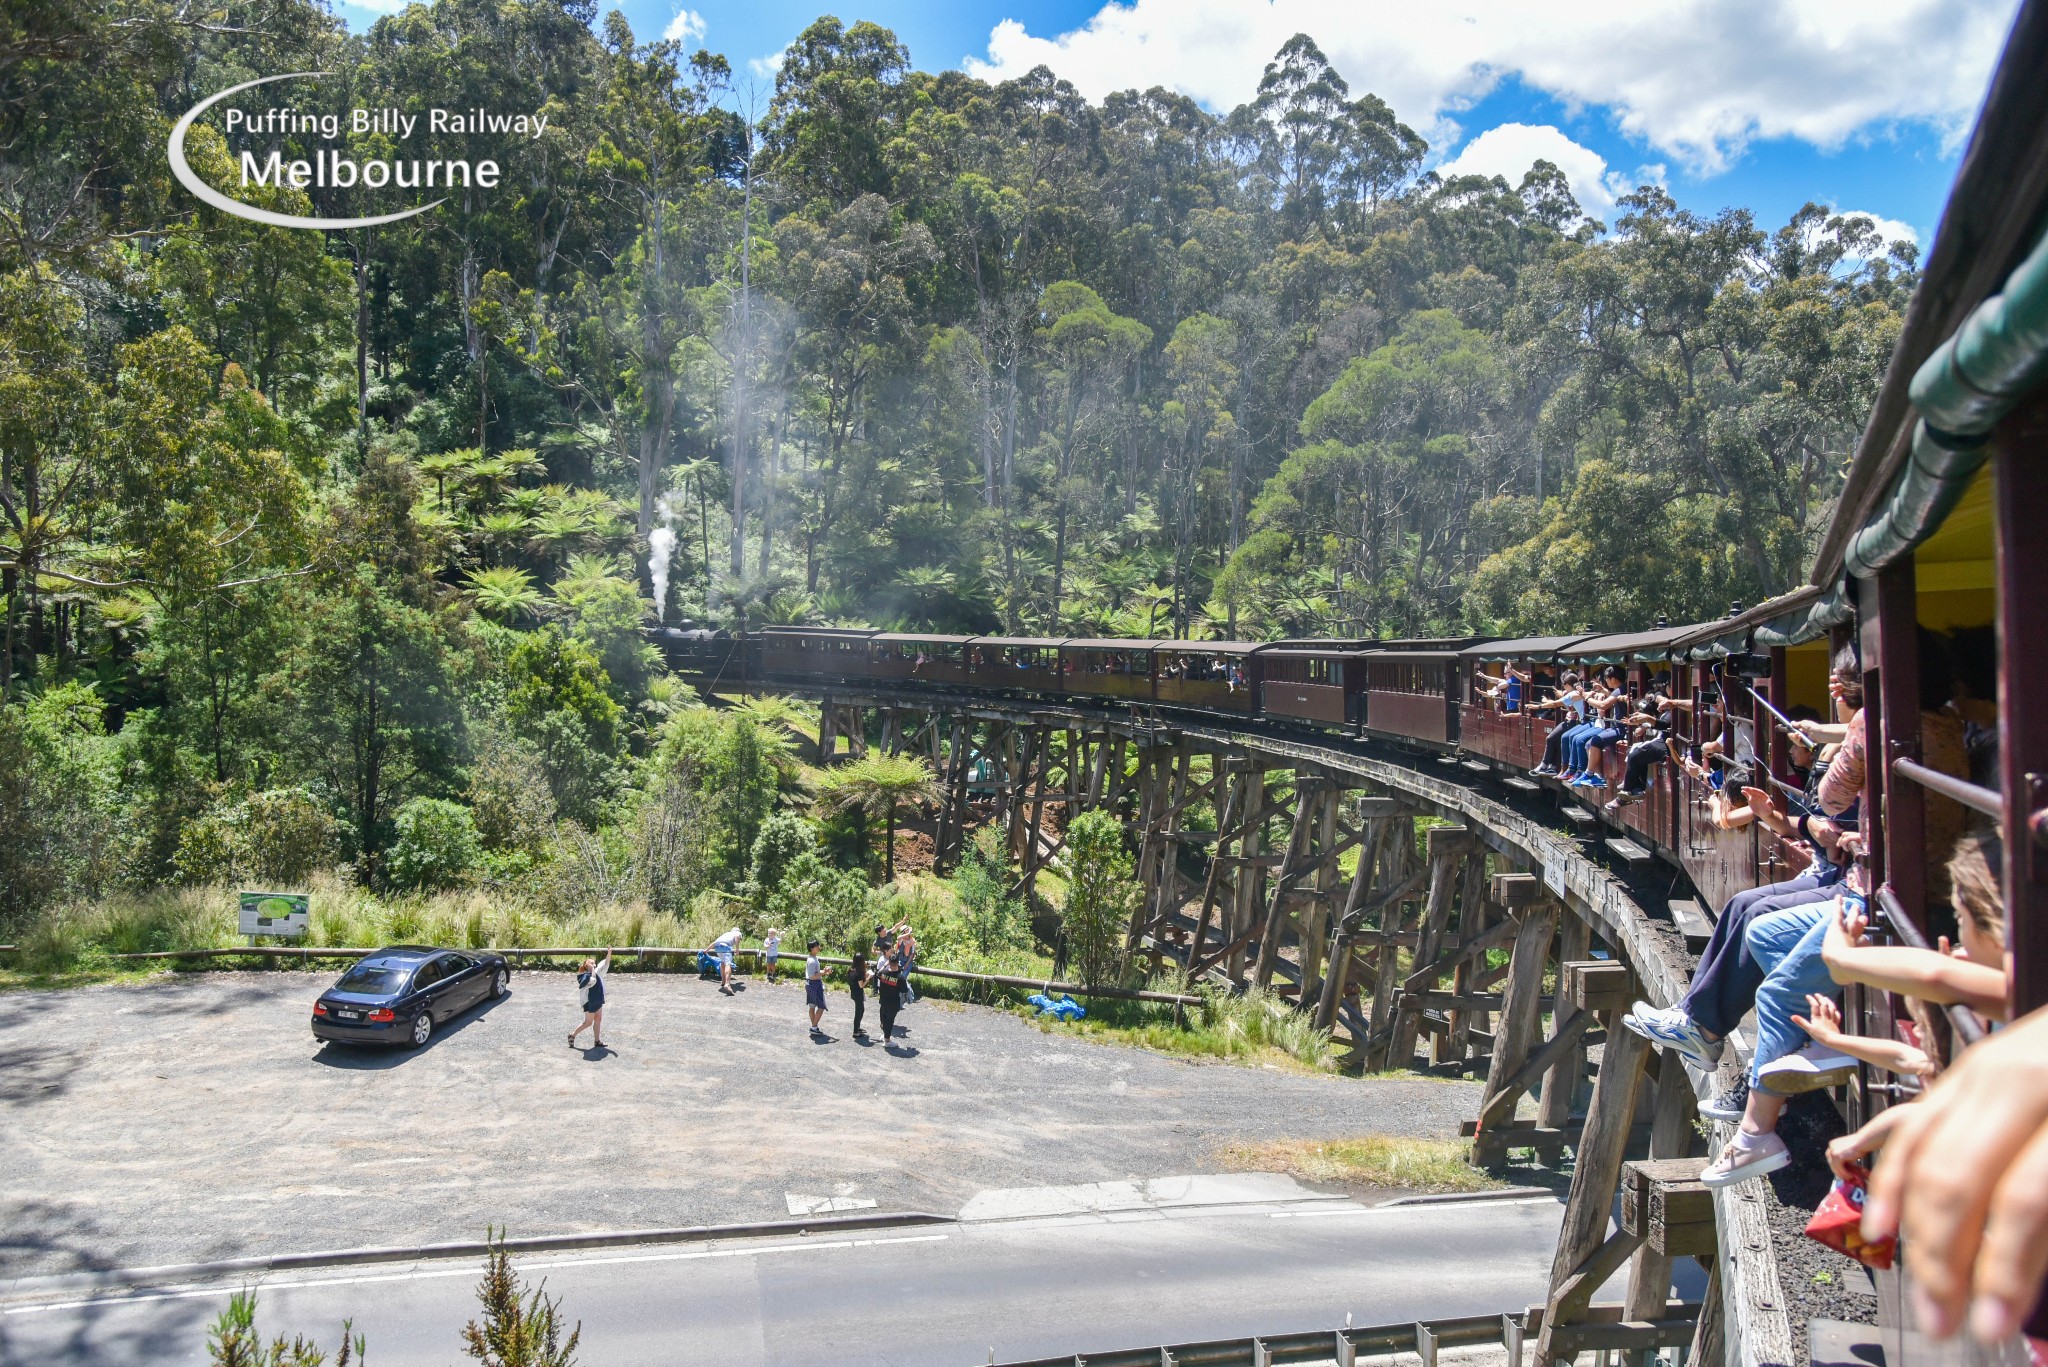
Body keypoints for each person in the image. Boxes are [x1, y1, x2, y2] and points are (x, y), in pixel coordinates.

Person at [570, 949, 610, 1049]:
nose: (594, 964)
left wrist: (609, 952)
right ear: (586, 965)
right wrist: (592, 970)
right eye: (591, 963)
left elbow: (605, 963)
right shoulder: (583, 976)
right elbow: (592, 980)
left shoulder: (596, 972)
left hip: (598, 999)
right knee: (588, 1022)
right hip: (589, 1001)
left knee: (598, 1019)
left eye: (594, 963)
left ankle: (597, 1041)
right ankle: (572, 1035)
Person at [876, 940, 906, 1042]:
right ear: (897, 963)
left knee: (884, 1017)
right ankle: (887, 1040)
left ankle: (884, 1034)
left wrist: (885, 965)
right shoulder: (900, 977)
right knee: (890, 1020)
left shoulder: (883, 972)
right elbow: (904, 990)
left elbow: (877, 974)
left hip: (883, 999)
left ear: (889, 962)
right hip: (893, 1001)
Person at [804, 939, 828, 1037]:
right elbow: (812, 976)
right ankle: (813, 1027)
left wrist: (824, 971)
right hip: (814, 984)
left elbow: (814, 973)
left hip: (811, 984)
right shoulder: (812, 961)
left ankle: (814, 1027)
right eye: (817, 946)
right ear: (812, 948)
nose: (819, 947)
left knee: (812, 1006)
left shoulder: (813, 958)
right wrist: (823, 973)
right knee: (821, 1007)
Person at [848, 945, 870, 1041]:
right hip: (858, 994)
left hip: (853, 992)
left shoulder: (851, 969)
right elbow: (861, 985)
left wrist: (865, 975)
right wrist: (869, 978)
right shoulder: (859, 972)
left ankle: (858, 1027)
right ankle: (855, 1031)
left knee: (860, 1010)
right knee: (859, 1012)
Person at [712, 926, 742, 994]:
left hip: (717, 948)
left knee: (723, 962)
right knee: (728, 964)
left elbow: (715, 942)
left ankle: (723, 980)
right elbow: (737, 936)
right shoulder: (737, 933)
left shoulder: (726, 934)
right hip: (725, 947)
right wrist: (737, 949)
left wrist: (706, 950)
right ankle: (727, 984)